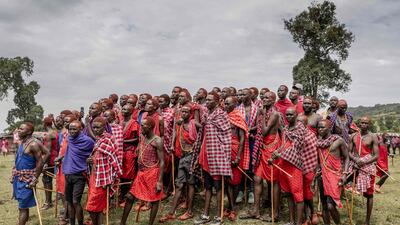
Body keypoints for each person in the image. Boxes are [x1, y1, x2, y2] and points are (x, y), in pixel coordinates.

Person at [192, 92, 232, 225]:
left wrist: (225, 157)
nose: (207, 102)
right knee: (207, 186)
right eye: (206, 100)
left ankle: (219, 216)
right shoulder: (206, 115)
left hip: (217, 156)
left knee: (218, 187)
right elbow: (202, 134)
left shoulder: (221, 115)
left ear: (217, 101)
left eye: (210, 100)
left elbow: (226, 137)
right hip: (205, 154)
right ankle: (205, 215)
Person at [241, 91, 281, 222]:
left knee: (273, 182)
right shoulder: (262, 111)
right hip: (262, 148)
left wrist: (262, 115)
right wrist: (249, 130)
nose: (264, 99)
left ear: (273, 100)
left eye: (268, 98)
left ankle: (275, 213)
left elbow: (264, 132)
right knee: (257, 179)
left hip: (271, 149)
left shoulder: (274, 114)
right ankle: (256, 211)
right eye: (263, 97)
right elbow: (259, 128)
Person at [120, 118, 164, 225]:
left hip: (152, 173)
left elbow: (162, 162)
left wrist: (159, 181)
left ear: (149, 127)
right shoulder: (142, 136)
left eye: (143, 125)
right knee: (130, 197)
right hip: (141, 173)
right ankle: (122, 223)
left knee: (154, 200)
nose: (141, 127)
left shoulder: (157, 141)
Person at [159, 106, 198, 222]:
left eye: (186, 112)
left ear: (190, 114)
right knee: (180, 184)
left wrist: (197, 147)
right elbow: (175, 134)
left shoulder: (193, 124)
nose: (184, 114)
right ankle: (171, 213)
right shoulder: (179, 124)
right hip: (182, 156)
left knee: (191, 184)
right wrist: (172, 145)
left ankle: (190, 211)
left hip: (192, 156)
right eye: (182, 112)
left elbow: (202, 130)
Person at [269, 107, 305, 225]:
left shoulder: (300, 129)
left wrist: (280, 153)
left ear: (296, 115)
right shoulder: (286, 129)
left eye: (291, 115)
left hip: (294, 166)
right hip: (284, 164)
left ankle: (299, 223)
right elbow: (284, 145)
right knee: (288, 193)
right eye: (287, 115)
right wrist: (275, 154)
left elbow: (295, 147)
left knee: (298, 195)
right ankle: (291, 221)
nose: (289, 117)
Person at [11, 122, 49, 225]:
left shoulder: (33, 144)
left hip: (28, 179)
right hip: (19, 178)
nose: (18, 130)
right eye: (19, 128)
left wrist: (35, 177)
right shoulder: (22, 142)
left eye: (21, 129)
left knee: (23, 207)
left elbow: (41, 160)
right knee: (22, 206)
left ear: (29, 132)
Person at [85, 117, 121, 225]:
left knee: (92, 206)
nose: (95, 129)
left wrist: (109, 180)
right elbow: (98, 157)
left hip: (103, 179)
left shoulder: (108, 139)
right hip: (95, 176)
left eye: (98, 127)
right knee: (98, 207)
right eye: (93, 127)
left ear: (104, 127)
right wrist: (91, 160)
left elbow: (113, 161)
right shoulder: (98, 139)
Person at [316, 119, 349, 225]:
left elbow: (347, 158)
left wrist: (344, 174)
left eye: (322, 127)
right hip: (322, 176)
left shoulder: (338, 140)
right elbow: (319, 159)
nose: (320, 129)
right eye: (319, 127)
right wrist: (317, 169)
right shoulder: (319, 142)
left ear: (329, 128)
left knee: (331, 206)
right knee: (325, 205)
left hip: (335, 176)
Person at [62, 121, 95, 225]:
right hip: (68, 174)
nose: (71, 131)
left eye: (74, 129)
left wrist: (91, 159)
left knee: (76, 201)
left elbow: (94, 153)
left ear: (80, 129)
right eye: (70, 129)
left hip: (80, 175)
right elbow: (66, 152)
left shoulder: (88, 141)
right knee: (69, 202)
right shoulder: (69, 138)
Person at [348, 116, 379, 225]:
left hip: (367, 167)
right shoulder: (353, 136)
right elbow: (349, 152)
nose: (363, 125)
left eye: (366, 123)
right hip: (354, 165)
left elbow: (376, 156)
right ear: (359, 123)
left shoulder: (373, 137)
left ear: (369, 124)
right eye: (362, 123)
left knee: (369, 195)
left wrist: (363, 162)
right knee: (343, 180)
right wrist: (356, 159)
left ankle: (367, 221)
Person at [224, 96, 249, 221]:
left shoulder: (238, 116)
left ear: (234, 104)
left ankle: (233, 209)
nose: (225, 105)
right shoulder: (223, 116)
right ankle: (230, 206)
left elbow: (242, 138)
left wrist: (238, 155)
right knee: (228, 179)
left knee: (235, 181)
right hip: (225, 151)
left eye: (228, 103)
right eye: (225, 103)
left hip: (235, 150)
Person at [236, 88, 258, 204]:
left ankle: (251, 191)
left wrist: (249, 130)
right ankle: (240, 190)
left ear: (250, 95)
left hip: (251, 140)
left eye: (245, 94)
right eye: (241, 94)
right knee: (240, 164)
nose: (242, 96)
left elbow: (259, 124)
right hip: (240, 140)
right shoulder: (237, 109)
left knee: (251, 166)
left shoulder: (256, 109)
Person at [297, 115, 318, 224]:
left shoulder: (311, 135)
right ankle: (307, 217)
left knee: (308, 193)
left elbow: (314, 153)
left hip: (309, 167)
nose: (299, 124)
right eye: (298, 122)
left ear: (306, 124)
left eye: (301, 122)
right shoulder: (294, 134)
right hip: (297, 167)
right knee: (301, 194)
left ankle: (313, 212)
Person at [119, 104, 140, 204]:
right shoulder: (121, 122)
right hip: (120, 151)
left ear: (131, 111)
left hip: (129, 151)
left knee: (129, 174)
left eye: (126, 109)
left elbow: (137, 138)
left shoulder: (134, 123)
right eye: (123, 108)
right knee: (121, 174)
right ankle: (122, 196)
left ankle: (130, 195)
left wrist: (124, 141)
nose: (123, 110)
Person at [41, 117, 59, 210]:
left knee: (47, 180)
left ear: (44, 124)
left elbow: (48, 150)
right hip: (53, 157)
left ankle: (48, 202)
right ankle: (48, 201)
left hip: (49, 160)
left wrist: (44, 163)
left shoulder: (49, 134)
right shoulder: (55, 132)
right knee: (47, 180)